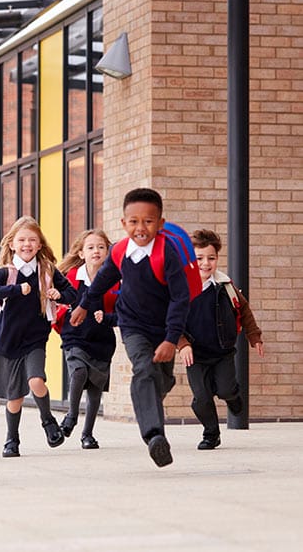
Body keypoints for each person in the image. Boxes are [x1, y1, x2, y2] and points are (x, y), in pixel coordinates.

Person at [70, 188, 190, 467]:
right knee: (144, 370)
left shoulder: (167, 254)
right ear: (123, 223)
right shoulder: (121, 250)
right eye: (133, 221)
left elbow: (180, 299)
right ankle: (154, 436)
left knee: (162, 379)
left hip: (163, 327)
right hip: (132, 324)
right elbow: (102, 280)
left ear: (160, 224)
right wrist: (84, 304)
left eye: (148, 221)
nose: (140, 227)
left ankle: (149, 400)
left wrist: (172, 339)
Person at [0, 216, 77, 458]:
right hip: (9, 342)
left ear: (40, 245)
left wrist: (58, 294)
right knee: (15, 398)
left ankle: (48, 422)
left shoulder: (47, 270)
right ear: (12, 244)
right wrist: (14, 290)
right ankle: (12, 439)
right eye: (22, 240)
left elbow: (72, 294)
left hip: (35, 340)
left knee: (36, 381)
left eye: (32, 240)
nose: (27, 244)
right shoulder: (7, 272)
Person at [178, 229, 264, 450]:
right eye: (199, 258)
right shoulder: (181, 288)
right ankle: (211, 434)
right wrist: (183, 344)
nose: (206, 263)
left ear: (217, 259)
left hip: (222, 351)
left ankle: (233, 397)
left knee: (225, 389)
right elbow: (170, 321)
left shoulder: (225, 285)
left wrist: (253, 336)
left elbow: (243, 309)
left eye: (211, 258)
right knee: (201, 398)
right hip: (195, 355)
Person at [57, 229, 118, 450]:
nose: (96, 251)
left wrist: (111, 318)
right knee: (79, 371)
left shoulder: (115, 279)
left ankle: (88, 434)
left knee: (95, 389)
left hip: (102, 338)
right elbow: (59, 302)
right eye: (91, 247)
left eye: (101, 247)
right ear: (81, 253)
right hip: (75, 335)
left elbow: (122, 307)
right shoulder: (71, 277)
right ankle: (71, 416)